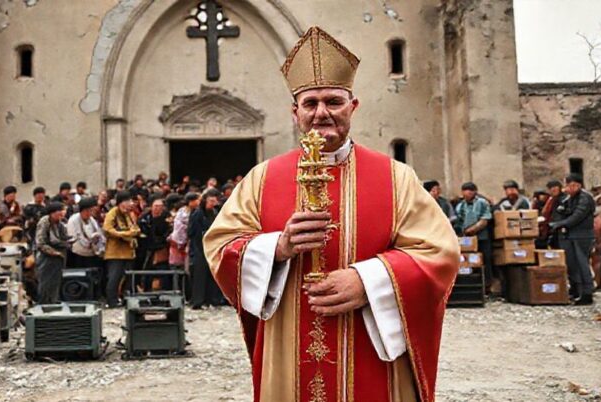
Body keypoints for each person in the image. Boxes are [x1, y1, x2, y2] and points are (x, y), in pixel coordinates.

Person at [203, 27, 458, 401]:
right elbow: (220, 246)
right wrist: (278, 247)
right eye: (310, 104)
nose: (321, 113)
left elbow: (440, 253)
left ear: (352, 106)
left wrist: (369, 282)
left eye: (333, 101)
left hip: (370, 346)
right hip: (288, 344)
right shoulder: (262, 178)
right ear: (295, 113)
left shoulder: (395, 177)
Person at [549, 174, 595, 305]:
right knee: (572, 265)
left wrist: (560, 224)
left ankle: (587, 293)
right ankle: (576, 290)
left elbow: (577, 216)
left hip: (582, 236)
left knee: (582, 264)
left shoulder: (585, 198)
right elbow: (560, 212)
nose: (568, 188)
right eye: (567, 185)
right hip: (568, 235)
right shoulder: (568, 198)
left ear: (578, 185)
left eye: (571, 185)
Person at [102, 190, 140, 307]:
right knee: (114, 278)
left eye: (130, 201)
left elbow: (135, 228)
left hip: (128, 251)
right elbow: (107, 229)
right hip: (115, 252)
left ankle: (125, 298)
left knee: (128, 277)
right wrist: (123, 234)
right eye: (126, 201)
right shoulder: (112, 213)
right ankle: (111, 301)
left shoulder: (128, 214)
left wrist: (133, 232)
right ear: (120, 202)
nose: (129, 204)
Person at [455, 182, 494, 289]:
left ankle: (487, 286)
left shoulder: (482, 203)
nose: (467, 193)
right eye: (465, 191)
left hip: (482, 238)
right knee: (468, 261)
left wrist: (472, 230)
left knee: (485, 260)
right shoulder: (460, 206)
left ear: (474, 192)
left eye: (470, 191)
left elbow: (485, 220)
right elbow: (459, 221)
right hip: (467, 240)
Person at [189, 188, 223, 309]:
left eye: (214, 201)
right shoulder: (198, 213)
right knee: (200, 275)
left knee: (212, 275)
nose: (213, 203)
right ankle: (199, 301)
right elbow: (192, 232)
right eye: (210, 201)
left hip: (212, 247)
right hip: (200, 247)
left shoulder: (215, 212)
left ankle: (211, 300)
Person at [35, 202, 69, 304]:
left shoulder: (60, 223)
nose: (62, 213)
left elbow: (63, 237)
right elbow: (40, 243)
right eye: (60, 211)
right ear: (53, 212)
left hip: (59, 255)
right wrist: (53, 252)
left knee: (56, 281)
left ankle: (53, 301)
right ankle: (43, 303)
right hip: (46, 255)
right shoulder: (44, 222)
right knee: (45, 281)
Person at [138, 198, 172, 291]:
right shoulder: (145, 217)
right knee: (147, 271)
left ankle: (165, 291)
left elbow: (169, 231)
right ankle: (146, 290)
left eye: (160, 206)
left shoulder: (166, 217)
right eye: (156, 206)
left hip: (162, 248)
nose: (157, 208)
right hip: (146, 247)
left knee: (163, 270)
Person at [67, 197, 106, 268]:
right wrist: (88, 241)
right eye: (87, 210)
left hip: (92, 253)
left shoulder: (92, 220)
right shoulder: (73, 220)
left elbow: (98, 233)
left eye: (91, 211)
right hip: (78, 254)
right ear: (81, 210)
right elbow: (72, 237)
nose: (89, 213)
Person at [541, 180, 564, 249]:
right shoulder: (551, 199)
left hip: (560, 227)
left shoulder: (564, 199)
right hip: (551, 227)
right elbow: (544, 212)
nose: (553, 189)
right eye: (551, 188)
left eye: (555, 187)